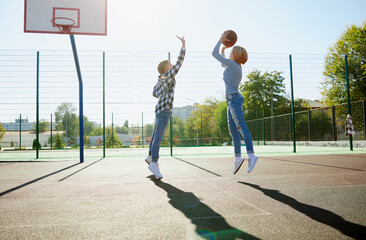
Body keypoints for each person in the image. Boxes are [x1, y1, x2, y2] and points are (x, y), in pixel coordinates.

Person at [212, 31, 258, 174]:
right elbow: (221, 63)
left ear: (236, 55)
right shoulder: (234, 66)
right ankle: (238, 157)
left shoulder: (233, 66)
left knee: (241, 127)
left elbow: (214, 54)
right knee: (233, 130)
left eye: (231, 51)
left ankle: (251, 154)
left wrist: (220, 40)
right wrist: (224, 50)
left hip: (234, 99)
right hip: (231, 99)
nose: (230, 53)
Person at [145, 36, 186, 179]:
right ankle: (154, 163)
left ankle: (150, 157)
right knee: (159, 137)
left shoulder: (161, 79)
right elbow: (179, 63)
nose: (172, 65)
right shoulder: (168, 75)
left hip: (159, 110)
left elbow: (154, 93)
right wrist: (183, 46)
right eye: (170, 64)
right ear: (166, 69)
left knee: (156, 135)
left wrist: (161, 86)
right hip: (165, 110)